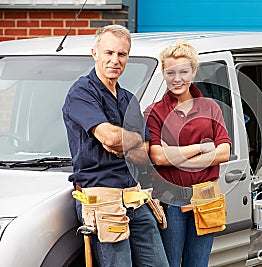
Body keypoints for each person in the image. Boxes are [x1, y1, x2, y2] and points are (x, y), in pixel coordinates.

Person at [62, 24, 169, 267]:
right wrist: (129, 139)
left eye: (121, 54)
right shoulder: (81, 93)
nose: (115, 60)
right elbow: (110, 138)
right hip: (102, 200)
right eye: (109, 53)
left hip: (134, 196)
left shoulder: (127, 98)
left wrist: (125, 142)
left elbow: (144, 154)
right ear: (95, 53)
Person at [144, 40, 231, 267]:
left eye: (184, 71)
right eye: (170, 72)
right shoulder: (154, 112)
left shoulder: (210, 107)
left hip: (206, 197)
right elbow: (158, 157)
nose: (177, 78)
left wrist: (177, 157)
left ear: (193, 72)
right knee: (170, 263)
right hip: (170, 199)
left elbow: (224, 152)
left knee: (198, 264)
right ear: (163, 73)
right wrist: (202, 148)